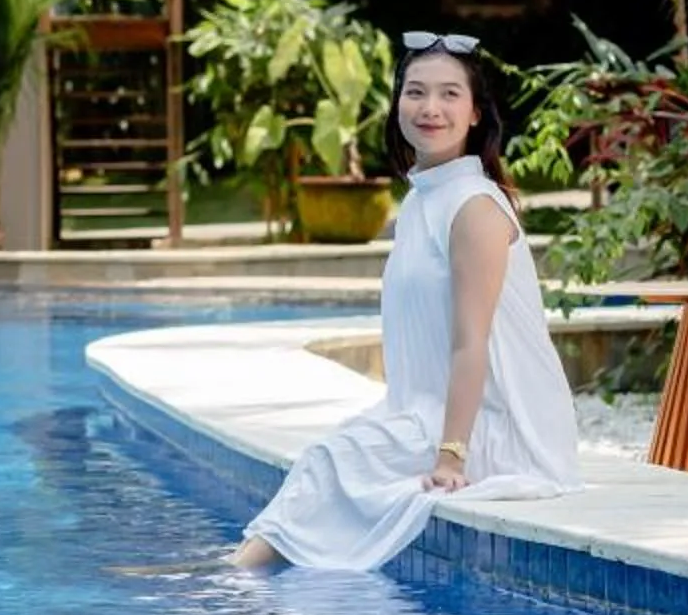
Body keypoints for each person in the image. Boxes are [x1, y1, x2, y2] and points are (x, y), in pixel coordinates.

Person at [229, 32, 579, 569]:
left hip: (497, 430)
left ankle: (231, 584)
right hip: (425, 414)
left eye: (448, 94)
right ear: (397, 106)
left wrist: (451, 456)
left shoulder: (475, 208)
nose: (429, 108)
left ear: (476, 114)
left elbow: (472, 343)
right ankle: (236, 575)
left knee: (331, 462)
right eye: (415, 92)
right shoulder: (421, 201)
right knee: (329, 464)